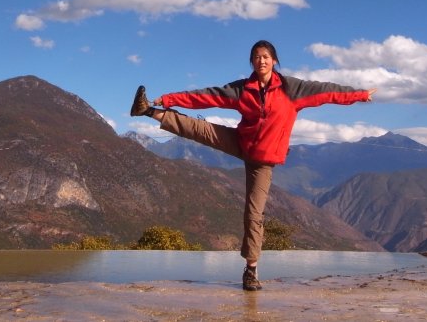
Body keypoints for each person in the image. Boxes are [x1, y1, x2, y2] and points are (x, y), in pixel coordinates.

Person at [130, 39, 374, 291]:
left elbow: (327, 92)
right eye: (257, 57)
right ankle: (147, 111)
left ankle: (251, 270)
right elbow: (204, 96)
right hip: (241, 142)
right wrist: (167, 99)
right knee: (200, 129)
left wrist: (360, 95)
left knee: (253, 214)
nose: (262, 61)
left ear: (274, 60)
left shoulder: (293, 89)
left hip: (262, 161)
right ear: (252, 62)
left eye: (266, 56)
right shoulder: (243, 89)